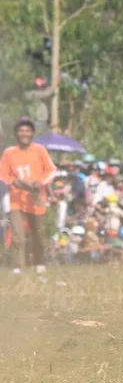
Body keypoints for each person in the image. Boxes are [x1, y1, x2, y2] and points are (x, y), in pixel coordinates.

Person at [0, 117, 56, 274]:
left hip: (36, 198)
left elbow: (51, 170)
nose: (24, 133)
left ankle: (39, 263)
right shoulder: (9, 152)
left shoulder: (39, 150)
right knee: (17, 233)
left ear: (32, 133)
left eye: (27, 130)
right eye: (21, 130)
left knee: (38, 233)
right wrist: (13, 182)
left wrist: (41, 183)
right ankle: (18, 265)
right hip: (17, 200)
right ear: (16, 133)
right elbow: (3, 174)